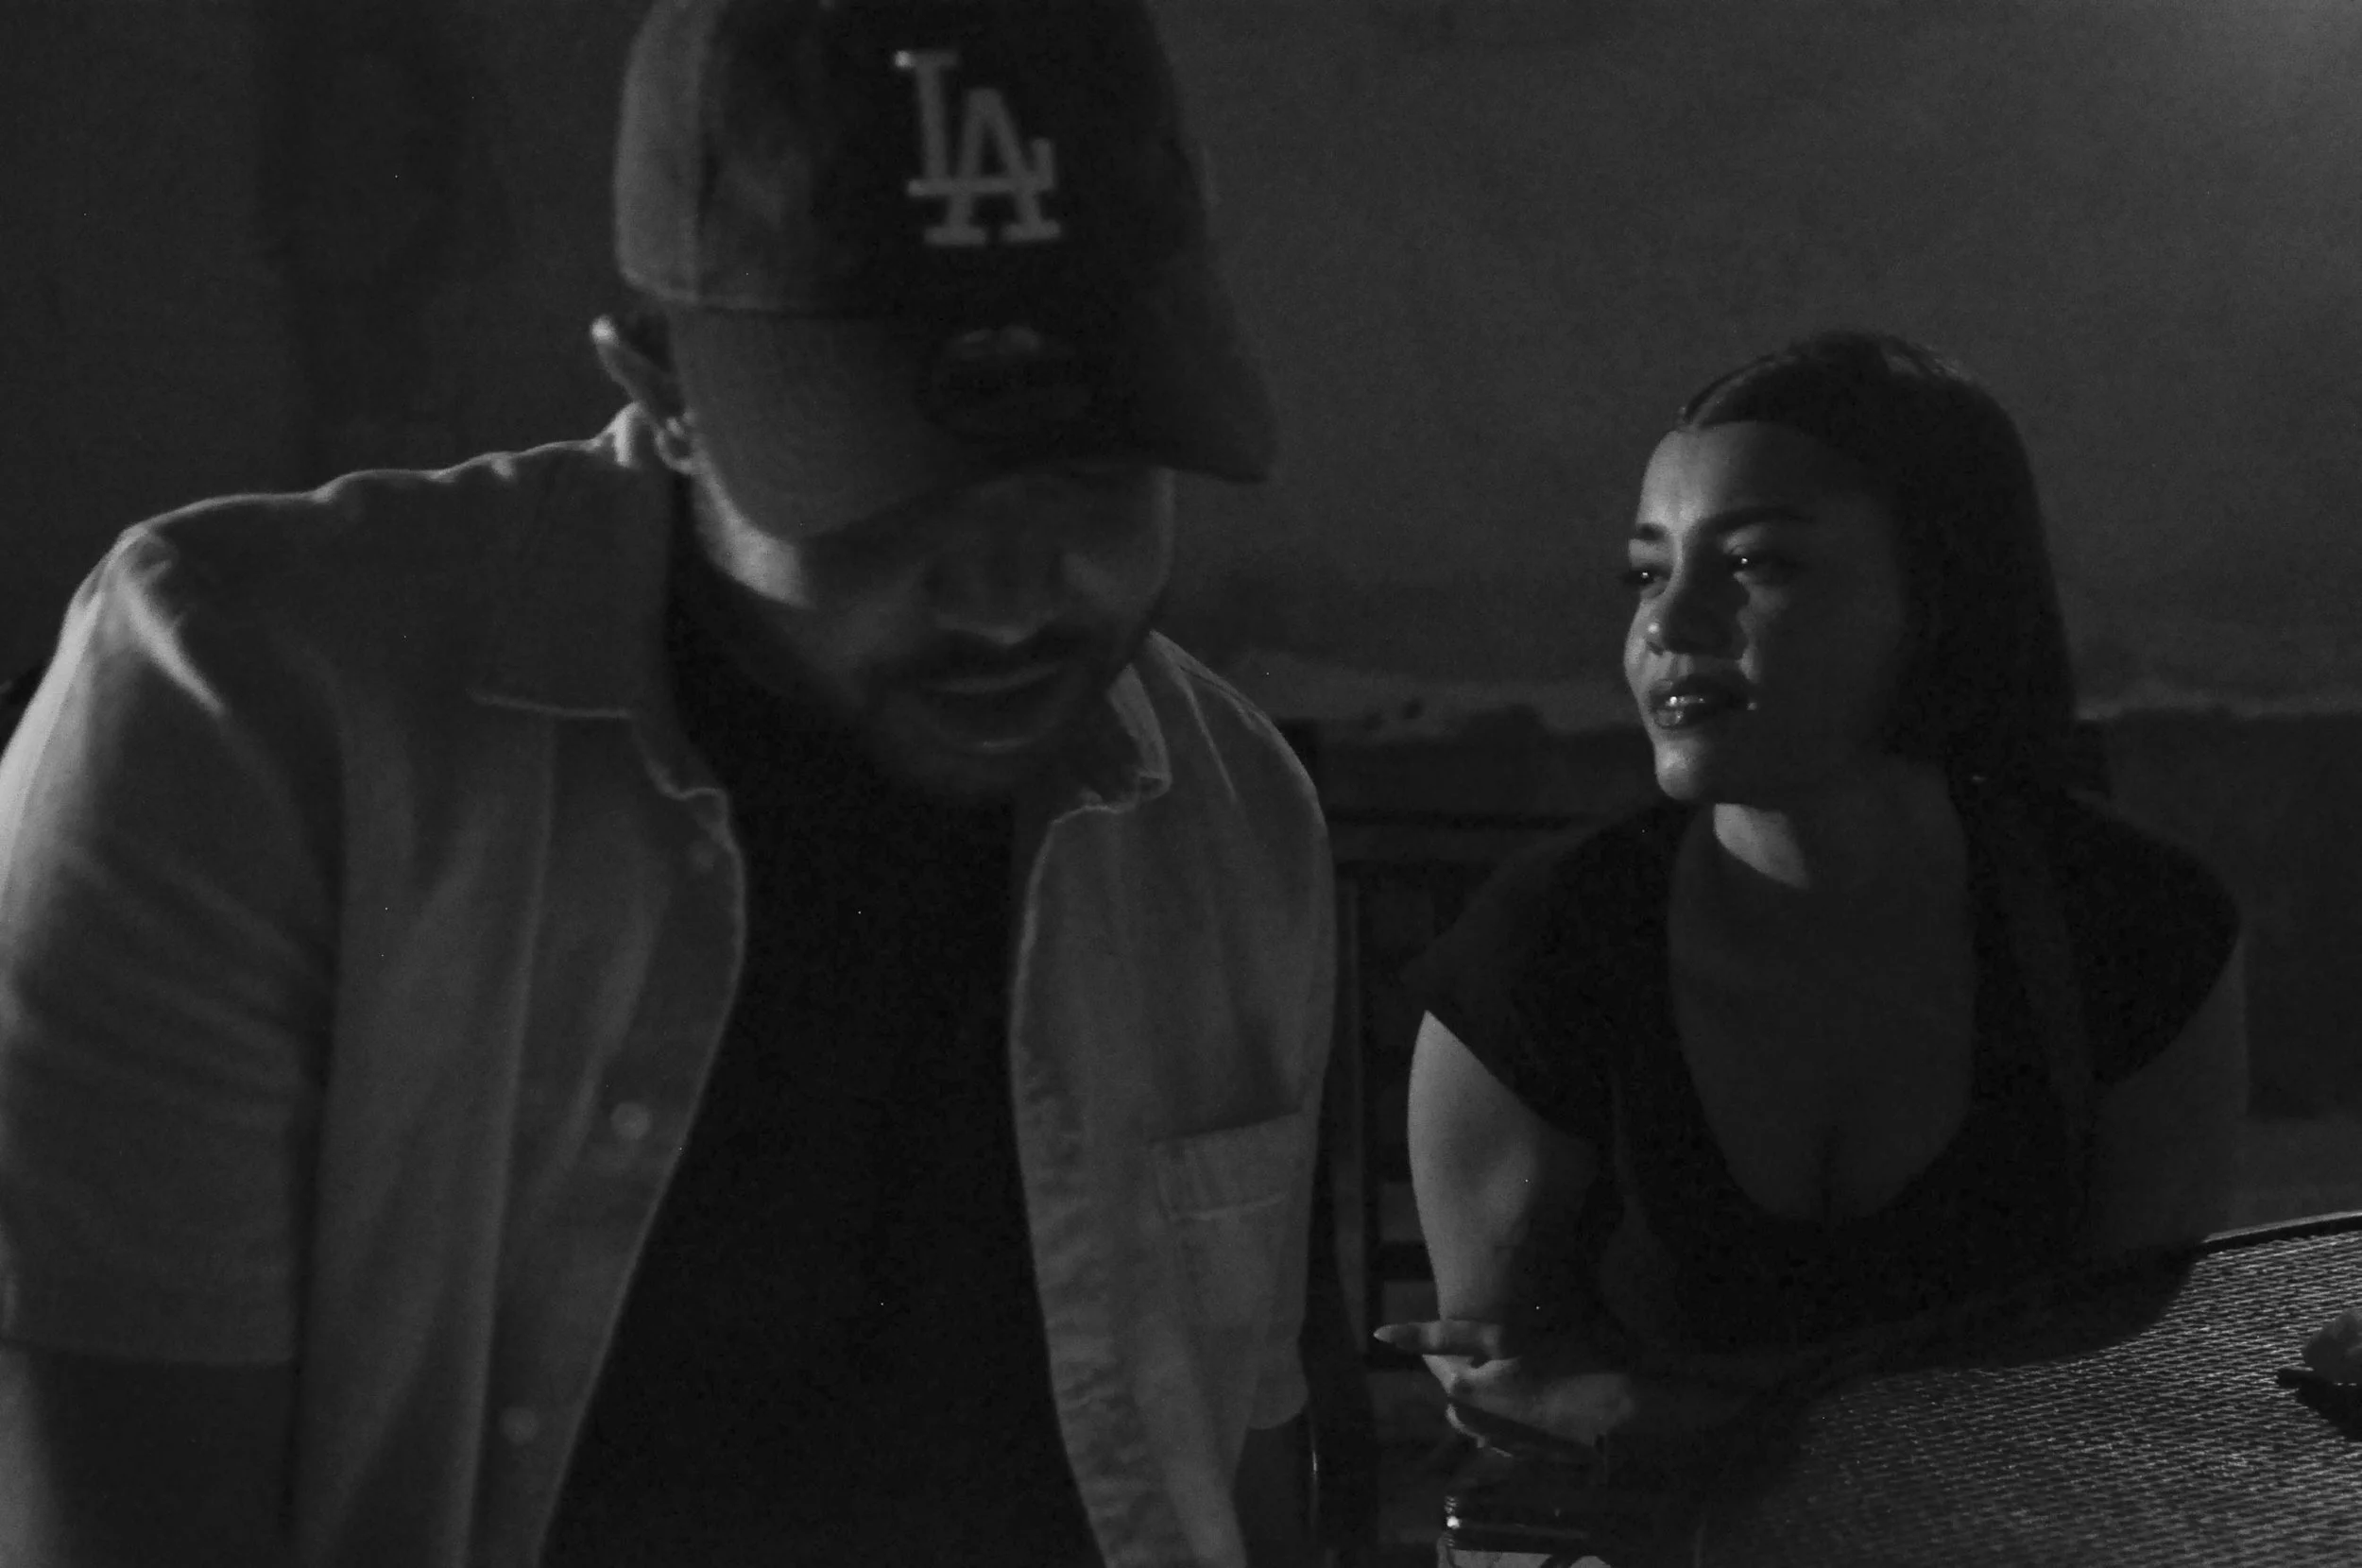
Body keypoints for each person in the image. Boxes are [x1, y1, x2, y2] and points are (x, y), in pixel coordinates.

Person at [0, 3, 1333, 1565]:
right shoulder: (250, 716)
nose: (1007, 598)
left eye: (1096, 475)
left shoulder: (1223, 813)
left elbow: (1233, 1475)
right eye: (896, 486)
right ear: (663, 385)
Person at [1376, 330, 2247, 1448]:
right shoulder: (1554, 938)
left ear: (1938, 594)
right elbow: (1505, 1397)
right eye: (1647, 572)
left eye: (1755, 564)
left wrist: (1672, 1414)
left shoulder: (2129, 924)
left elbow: (2125, 1387)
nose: (1666, 625)